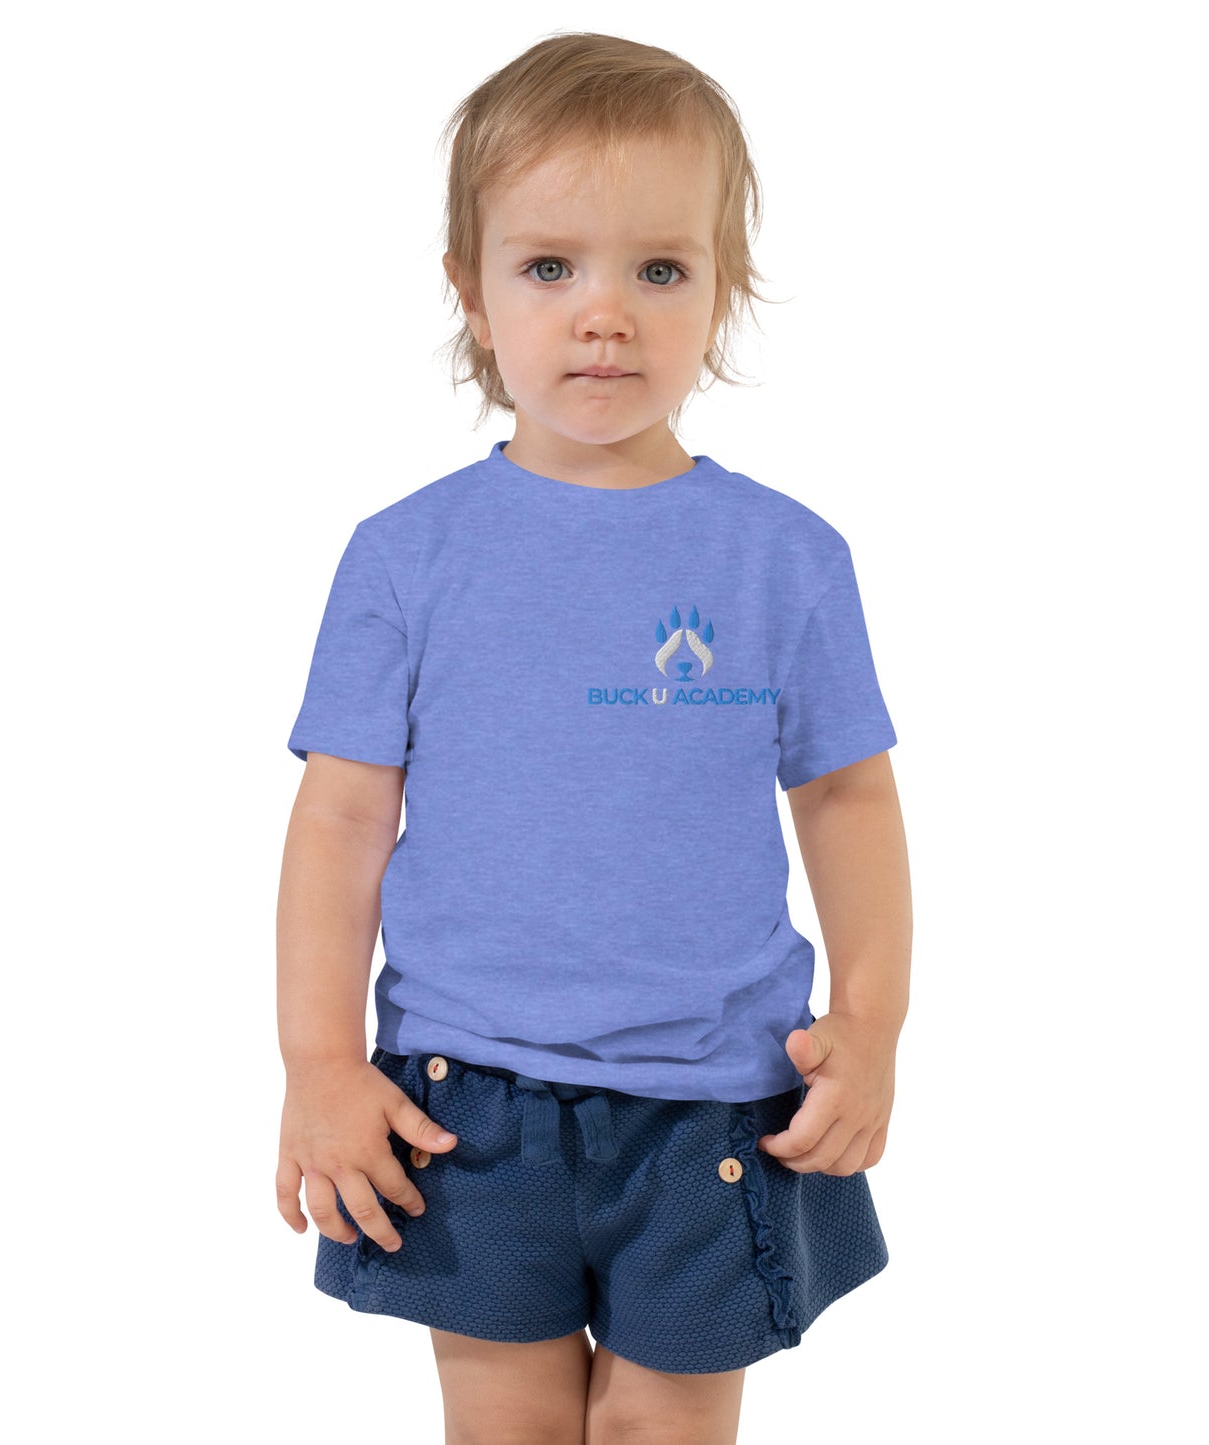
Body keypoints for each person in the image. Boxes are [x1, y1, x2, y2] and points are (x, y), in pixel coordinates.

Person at [276, 30, 912, 1445]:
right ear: (472, 288)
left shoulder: (785, 559)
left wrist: (870, 1024)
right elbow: (339, 820)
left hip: (716, 1099)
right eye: (550, 266)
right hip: (465, 1100)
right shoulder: (406, 557)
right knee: (502, 1422)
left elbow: (850, 801)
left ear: (722, 287)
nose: (604, 315)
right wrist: (318, 1064)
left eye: (660, 270)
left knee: (661, 1430)